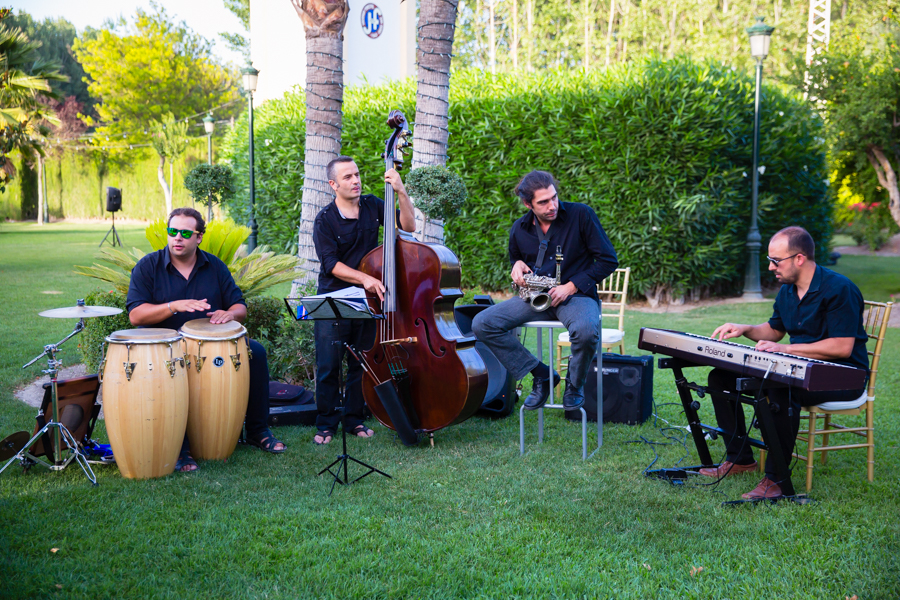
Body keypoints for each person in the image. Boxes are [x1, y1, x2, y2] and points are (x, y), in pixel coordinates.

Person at [703, 226, 869, 499]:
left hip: (844, 376)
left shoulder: (840, 289)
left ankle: (777, 480)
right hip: (800, 370)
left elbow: (842, 347)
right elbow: (774, 329)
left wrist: (786, 349)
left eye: (775, 261)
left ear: (799, 258)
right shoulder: (788, 291)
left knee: (780, 387)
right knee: (720, 378)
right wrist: (745, 328)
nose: (770, 267)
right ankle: (741, 459)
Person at [126, 207, 285, 472]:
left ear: (199, 237)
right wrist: (173, 306)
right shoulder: (148, 266)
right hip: (166, 347)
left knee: (255, 352)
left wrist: (229, 313)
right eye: (172, 231)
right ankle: (179, 447)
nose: (177, 237)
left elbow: (240, 307)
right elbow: (136, 315)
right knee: (171, 369)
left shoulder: (215, 267)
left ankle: (258, 430)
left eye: (185, 233)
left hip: (209, 345)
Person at [472, 170, 618, 411]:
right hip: (535, 299)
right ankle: (542, 375)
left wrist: (571, 286)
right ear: (528, 204)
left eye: (554, 197)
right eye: (543, 202)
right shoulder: (519, 228)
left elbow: (608, 260)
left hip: (576, 296)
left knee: (585, 331)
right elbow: (516, 259)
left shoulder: (582, 215)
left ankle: (574, 385)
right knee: (482, 324)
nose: (552, 205)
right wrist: (516, 266)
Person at [311, 155, 416, 445]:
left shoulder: (372, 205)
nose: (356, 181)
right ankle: (326, 424)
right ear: (333, 184)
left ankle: (354, 420)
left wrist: (401, 191)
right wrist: (366, 278)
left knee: (361, 362)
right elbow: (331, 264)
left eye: (357, 175)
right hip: (334, 298)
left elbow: (408, 226)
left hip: (368, 299)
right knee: (329, 365)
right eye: (347, 177)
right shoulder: (324, 220)